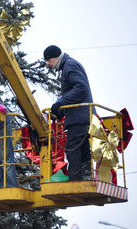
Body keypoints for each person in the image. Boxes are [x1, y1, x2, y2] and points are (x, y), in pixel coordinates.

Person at [44, 45, 96, 181]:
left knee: (72, 147)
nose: (48, 64)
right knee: (83, 148)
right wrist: (62, 111)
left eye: (48, 60)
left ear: (55, 57)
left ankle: (75, 179)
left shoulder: (69, 65)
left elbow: (81, 87)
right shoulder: (70, 65)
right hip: (84, 115)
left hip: (79, 117)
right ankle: (86, 177)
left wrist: (61, 102)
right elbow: (78, 91)